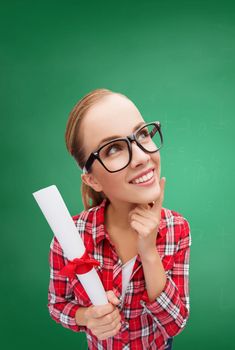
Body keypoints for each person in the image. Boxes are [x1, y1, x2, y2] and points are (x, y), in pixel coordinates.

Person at [47, 88, 191, 349]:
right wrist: (85, 317)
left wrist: (148, 251)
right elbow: (57, 305)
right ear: (92, 179)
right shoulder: (71, 235)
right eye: (113, 149)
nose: (142, 157)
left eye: (142, 134)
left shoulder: (176, 229)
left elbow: (174, 324)